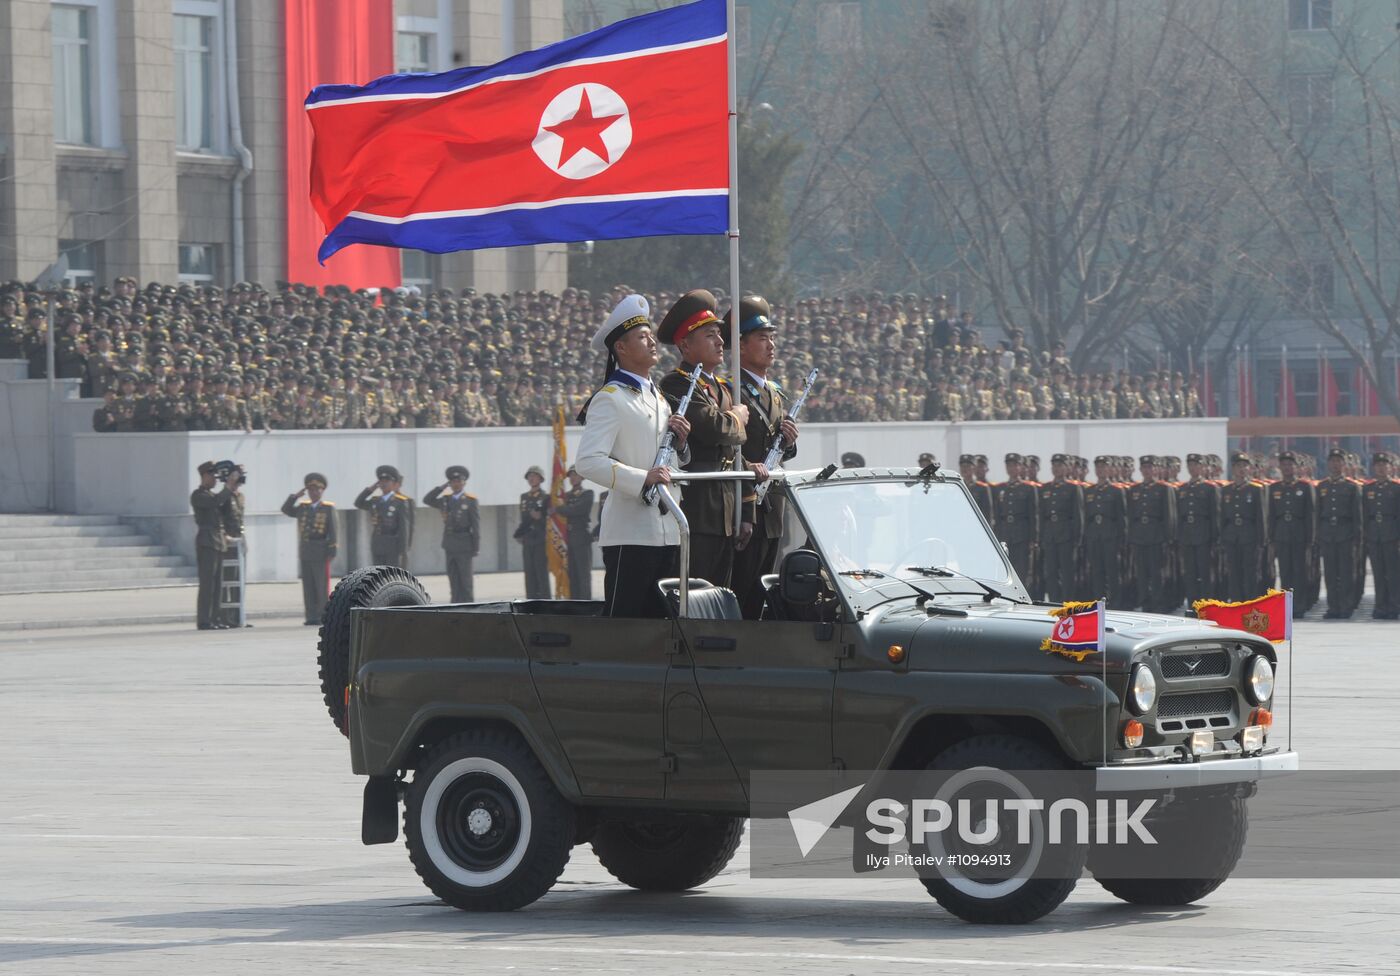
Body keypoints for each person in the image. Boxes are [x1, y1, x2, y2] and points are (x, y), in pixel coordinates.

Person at [575, 293, 691, 617]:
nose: (652, 341)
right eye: (642, 336)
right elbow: (587, 461)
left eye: (651, 334)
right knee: (624, 628)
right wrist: (642, 479)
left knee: (665, 628)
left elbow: (667, 462)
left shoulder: (659, 399)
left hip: (668, 531)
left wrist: (681, 445)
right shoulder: (610, 399)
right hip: (632, 534)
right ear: (621, 348)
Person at [658, 289, 750, 589]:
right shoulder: (677, 382)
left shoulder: (722, 388)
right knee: (695, 592)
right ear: (685, 345)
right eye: (710, 335)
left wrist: (747, 511)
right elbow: (714, 429)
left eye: (719, 335)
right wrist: (737, 418)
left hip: (727, 511)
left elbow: (737, 453)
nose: (721, 341)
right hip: (699, 509)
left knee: (721, 594)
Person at [729, 296, 799, 619]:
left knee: (761, 593)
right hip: (745, 508)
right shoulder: (732, 391)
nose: (771, 345)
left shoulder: (774, 392)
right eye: (761, 338)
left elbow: (780, 448)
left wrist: (789, 439)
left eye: (772, 337)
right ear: (740, 345)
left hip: (772, 509)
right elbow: (730, 449)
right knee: (740, 594)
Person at [281, 472, 338, 624]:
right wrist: (295, 496)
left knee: (321, 586)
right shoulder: (303, 507)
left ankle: (322, 615)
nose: (314, 493)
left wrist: (332, 549)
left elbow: (333, 530)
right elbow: (286, 510)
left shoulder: (328, 508)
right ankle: (311, 616)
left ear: (322, 491)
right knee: (308, 586)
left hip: (321, 550)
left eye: (317, 490)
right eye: (311, 490)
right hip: (306, 550)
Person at [1126, 455, 1176, 612]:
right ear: (1141, 470)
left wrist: (1168, 538)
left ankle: (1158, 603)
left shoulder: (1163, 489)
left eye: (1151, 467)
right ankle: (1145, 602)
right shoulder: (1134, 490)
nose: (1148, 471)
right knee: (1141, 573)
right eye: (1145, 468)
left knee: (1156, 573)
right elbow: (1130, 515)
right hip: (1139, 536)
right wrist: (1131, 536)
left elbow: (1169, 515)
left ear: (1157, 469)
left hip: (1156, 536)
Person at [424, 465, 480, 603]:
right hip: (450, 544)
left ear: (464, 482)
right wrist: (442, 487)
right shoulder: (445, 499)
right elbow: (427, 499)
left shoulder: (470, 500)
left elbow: (476, 526)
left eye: (459, 481)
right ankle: (455, 608)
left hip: (465, 544)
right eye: (453, 481)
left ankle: (470, 609)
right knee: (454, 581)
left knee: (466, 583)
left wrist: (475, 548)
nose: (456, 484)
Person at [1268, 451, 1314, 618]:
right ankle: (1287, 608)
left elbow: (1310, 514)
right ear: (1280, 467)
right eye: (1284, 465)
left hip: (1299, 535)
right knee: (1285, 572)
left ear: (1297, 467)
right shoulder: (1274, 488)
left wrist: (1310, 539)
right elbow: (1271, 515)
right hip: (1282, 535)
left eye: (1290, 465)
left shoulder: (1304, 487)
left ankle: (1300, 606)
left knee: (1299, 572)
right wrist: (1271, 538)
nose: (1287, 468)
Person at [1317, 448, 1361, 618]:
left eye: (1339, 461)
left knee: (1345, 572)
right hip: (1328, 534)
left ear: (1344, 464)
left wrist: (1357, 537)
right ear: (1328, 464)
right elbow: (1318, 513)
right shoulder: (1322, 486)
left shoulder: (1351, 487)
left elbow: (1357, 515)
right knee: (1330, 573)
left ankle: (1346, 606)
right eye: (1332, 461)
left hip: (1346, 534)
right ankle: (1333, 606)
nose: (1335, 465)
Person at [1219, 453, 1267, 601]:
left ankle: (1250, 603)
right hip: (1232, 536)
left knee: (1250, 573)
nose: (1242, 469)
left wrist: (1262, 540)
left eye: (1245, 466)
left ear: (1249, 468)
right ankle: (1236, 602)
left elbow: (1261, 517)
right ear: (1233, 468)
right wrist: (1222, 538)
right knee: (1234, 573)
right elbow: (1222, 517)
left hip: (1249, 536)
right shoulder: (1226, 491)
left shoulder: (1255, 489)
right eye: (1238, 466)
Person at [1176, 453, 1220, 610]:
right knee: (1190, 574)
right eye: (1191, 465)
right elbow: (1179, 516)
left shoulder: (1209, 488)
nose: (1193, 468)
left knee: (1205, 572)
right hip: (1187, 536)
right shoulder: (1182, 489)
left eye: (1196, 465)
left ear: (1202, 467)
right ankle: (1193, 604)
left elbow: (1215, 515)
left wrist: (1215, 539)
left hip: (1204, 536)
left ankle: (1206, 604)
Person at [1038, 453, 1083, 602]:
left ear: (1067, 468)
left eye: (1060, 465)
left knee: (1066, 572)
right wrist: (1041, 537)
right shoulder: (1045, 488)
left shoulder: (1072, 488)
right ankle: (1054, 601)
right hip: (1050, 536)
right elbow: (1041, 515)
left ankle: (1068, 602)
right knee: (1050, 572)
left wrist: (1077, 539)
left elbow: (1078, 516)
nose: (1056, 469)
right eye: (1054, 465)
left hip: (1066, 536)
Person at [190, 460, 229, 630]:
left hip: (218, 540)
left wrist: (232, 488)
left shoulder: (213, 496)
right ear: (204, 476)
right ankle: (204, 619)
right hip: (206, 541)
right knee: (207, 584)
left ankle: (215, 617)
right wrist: (228, 486)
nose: (215, 479)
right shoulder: (198, 495)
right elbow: (215, 503)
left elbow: (224, 507)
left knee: (218, 583)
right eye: (212, 475)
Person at [1083, 455, 1127, 605]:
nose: (1100, 470)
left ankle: (1115, 602)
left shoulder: (1116, 491)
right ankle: (1098, 602)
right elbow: (1086, 517)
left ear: (1109, 469)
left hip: (1110, 536)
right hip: (1094, 536)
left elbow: (1122, 517)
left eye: (1103, 467)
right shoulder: (1089, 491)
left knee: (1112, 571)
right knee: (1097, 572)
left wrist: (1122, 539)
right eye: (1098, 467)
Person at [1362, 453, 1400, 619]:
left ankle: (1394, 606)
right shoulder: (1368, 488)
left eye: (1384, 465)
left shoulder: (1396, 488)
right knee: (1378, 573)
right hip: (1374, 535)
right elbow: (1364, 514)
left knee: (1392, 574)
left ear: (1391, 467)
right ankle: (1380, 606)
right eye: (1378, 465)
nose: (1381, 468)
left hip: (1391, 535)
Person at [355, 465, 414, 568]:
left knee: (393, 578)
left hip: (393, 546)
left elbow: (405, 529)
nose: (383, 483)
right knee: (379, 579)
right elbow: (358, 503)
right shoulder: (376, 501)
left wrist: (403, 551)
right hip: (377, 544)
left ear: (395, 483)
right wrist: (370, 489)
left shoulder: (400, 502)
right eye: (381, 481)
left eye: (387, 481)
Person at [992, 453, 1038, 585]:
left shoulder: (1028, 488)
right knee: (1005, 569)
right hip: (1005, 533)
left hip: (1021, 534)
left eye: (1015, 465)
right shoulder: (1000, 488)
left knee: (1021, 569)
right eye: (1009, 465)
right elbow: (997, 514)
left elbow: (1033, 515)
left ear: (1021, 467)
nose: (1011, 468)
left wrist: (1033, 539)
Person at [556, 467, 596, 600]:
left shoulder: (588, 493)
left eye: (576, 475)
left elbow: (577, 510)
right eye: (571, 475)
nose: (573, 478)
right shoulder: (566, 496)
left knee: (583, 574)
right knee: (572, 574)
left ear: (582, 477)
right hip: (568, 539)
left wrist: (561, 508)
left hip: (582, 538)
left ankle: (586, 605)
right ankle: (574, 603)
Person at [217, 461, 247, 627]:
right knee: (226, 581)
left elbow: (240, 520)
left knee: (238, 581)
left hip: (238, 542)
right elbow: (219, 518)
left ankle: (238, 616)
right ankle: (225, 616)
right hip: (228, 543)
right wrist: (224, 537)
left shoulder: (240, 497)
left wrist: (244, 540)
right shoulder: (224, 496)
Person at [516, 465, 551, 599]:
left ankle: (545, 603)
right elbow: (523, 519)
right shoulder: (524, 497)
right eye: (529, 476)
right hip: (527, 539)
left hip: (541, 539)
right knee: (529, 574)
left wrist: (540, 518)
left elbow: (550, 521)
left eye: (534, 476)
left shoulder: (546, 497)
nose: (531, 478)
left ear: (540, 479)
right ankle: (531, 602)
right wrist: (520, 534)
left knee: (541, 573)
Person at [959, 453, 995, 524]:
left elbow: (987, 514)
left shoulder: (982, 487)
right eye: (962, 466)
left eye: (968, 466)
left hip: (976, 525)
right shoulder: (957, 486)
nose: (964, 469)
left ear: (974, 468)